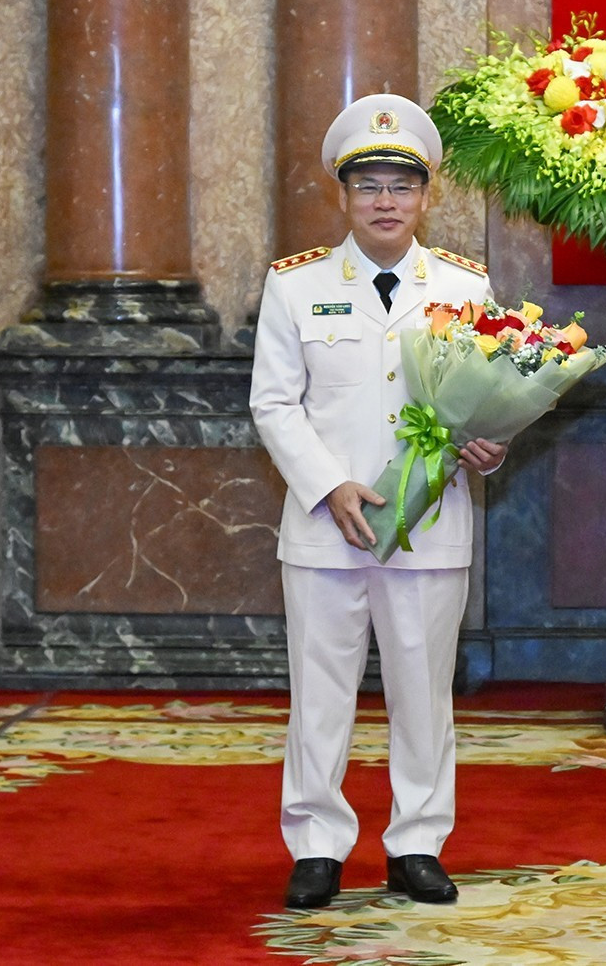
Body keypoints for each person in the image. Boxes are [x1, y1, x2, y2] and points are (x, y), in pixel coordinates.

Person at [249, 94, 507, 910]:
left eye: (402, 184)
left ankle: (418, 842)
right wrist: (329, 485)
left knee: (423, 692)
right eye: (369, 185)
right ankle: (317, 844)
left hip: (428, 526)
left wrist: (495, 441)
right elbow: (274, 403)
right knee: (319, 694)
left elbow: (494, 393)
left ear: (428, 194)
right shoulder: (295, 286)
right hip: (328, 528)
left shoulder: (467, 283)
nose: (386, 200)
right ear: (343, 195)